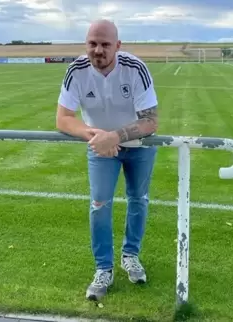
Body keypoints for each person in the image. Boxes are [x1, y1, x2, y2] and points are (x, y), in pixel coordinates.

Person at [55, 19, 159, 301]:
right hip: (100, 148)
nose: (97, 50)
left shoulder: (135, 68)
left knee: (138, 199)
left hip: (138, 145)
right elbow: (63, 119)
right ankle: (103, 268)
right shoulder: (76, 70)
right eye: (92, 43)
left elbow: (151, 121)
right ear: (86, 43)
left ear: (118, 46)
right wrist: (95, 135)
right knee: (99, 204)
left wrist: (116, 135)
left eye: (105, 44)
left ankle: (131, 255)